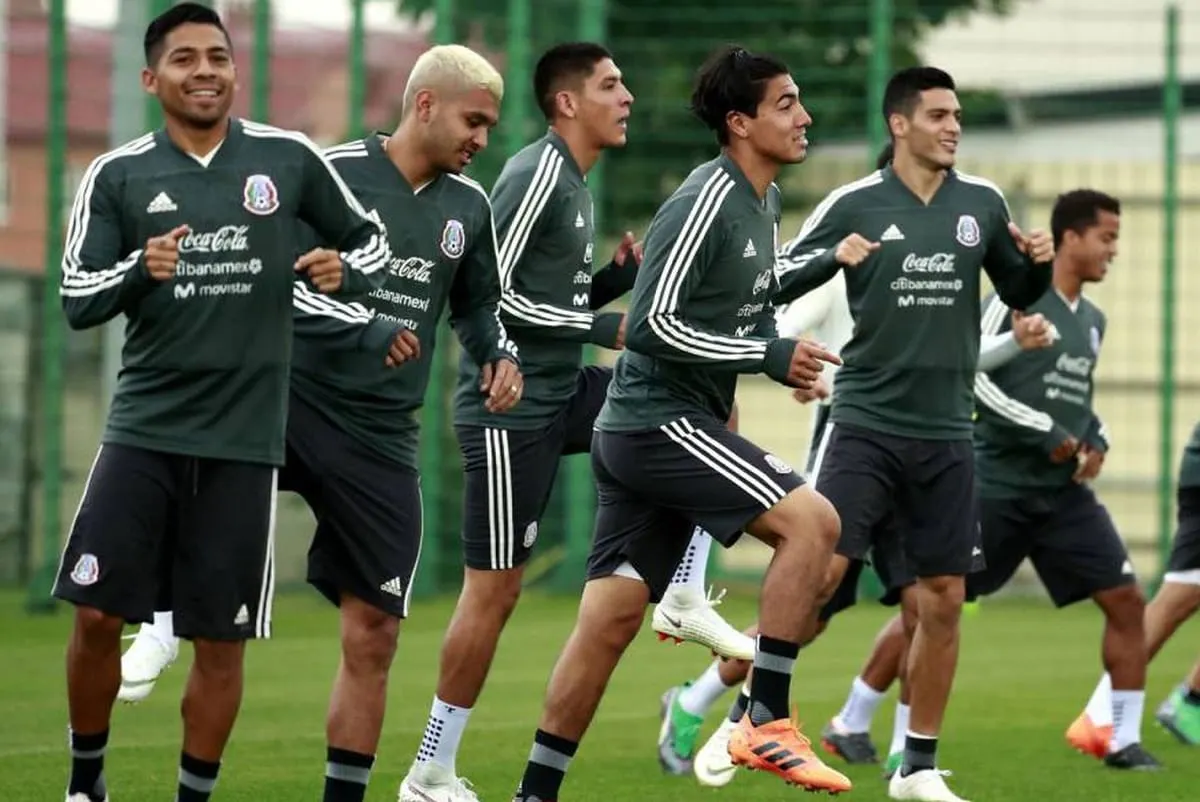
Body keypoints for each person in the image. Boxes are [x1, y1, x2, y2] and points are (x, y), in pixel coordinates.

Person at [110, 43, 522, 802]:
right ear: (424, 104)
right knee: (208, 528)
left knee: (376, 633)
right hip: (287, 403)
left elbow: (475, 305)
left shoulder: (471, 207)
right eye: (474, 121)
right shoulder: (323, 176)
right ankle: (165, 613)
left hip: (381, 436)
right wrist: (358, 325)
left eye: (490, 128)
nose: (481, 140)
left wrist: (498, 354)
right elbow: (266, 286)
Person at [53, 5, 391, 802]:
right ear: (151, 79)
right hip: (143, 433)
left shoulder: (289, 158)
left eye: (217, 57)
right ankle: (85, 783)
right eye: (183, 59)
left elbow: (371, 244)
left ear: (236, 71)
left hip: (245, 445)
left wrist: (350, 275)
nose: (204, 70)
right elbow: (75, 296)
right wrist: (142, 267)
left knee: (219, 643)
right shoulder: (119, 174)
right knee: (98, 618)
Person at [508, 44, 859, 802]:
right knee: (816, 527)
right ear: (739, 122)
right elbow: (654, 324)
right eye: (787, 104)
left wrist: (824, 265)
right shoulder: (706, 196)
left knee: (606, 625)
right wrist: (767, 355)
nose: (805, 117)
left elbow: (749, 296)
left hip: (648, 431)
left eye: (801, 102)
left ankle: (533, 793)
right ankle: (763, 717)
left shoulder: (760, 203)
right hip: (657, 423)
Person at [663, 184, 1055, 783]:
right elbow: (787, 321)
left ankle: (901, 752)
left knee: (929, 604)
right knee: (816, 595)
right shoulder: (846, 255)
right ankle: (708, 702)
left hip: (924, 451)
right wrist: (803, 368)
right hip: (854, 447)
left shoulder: (940, 275)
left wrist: (1011, 341)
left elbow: (954, 356)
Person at [772, 66, 1054, 802]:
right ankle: (754, 708)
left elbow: (1018, 290)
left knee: (944, 598)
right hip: (864, 422)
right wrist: (831, 259)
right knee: (824, 576)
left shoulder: (982, 205)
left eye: (958, 114)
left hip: (946, 432)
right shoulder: (855, 203)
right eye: (938, 115)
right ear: (901, 124)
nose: (953, 126)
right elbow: (776, 279)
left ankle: (918, 767)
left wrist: (1036, 269)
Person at [966, 188, 1159, 770]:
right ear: (1071, 238)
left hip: (1062, 496)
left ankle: (1119, 738)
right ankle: (857, 718)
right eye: (1107, 238)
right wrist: (1044, 428)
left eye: (1117, 239)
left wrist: (1096, 438)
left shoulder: (1093, 322)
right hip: (995, 484)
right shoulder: (1016, 294)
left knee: (1128, 601)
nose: (1114, 251)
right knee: (937, 605)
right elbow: (969, 375)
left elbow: (1081, 406)